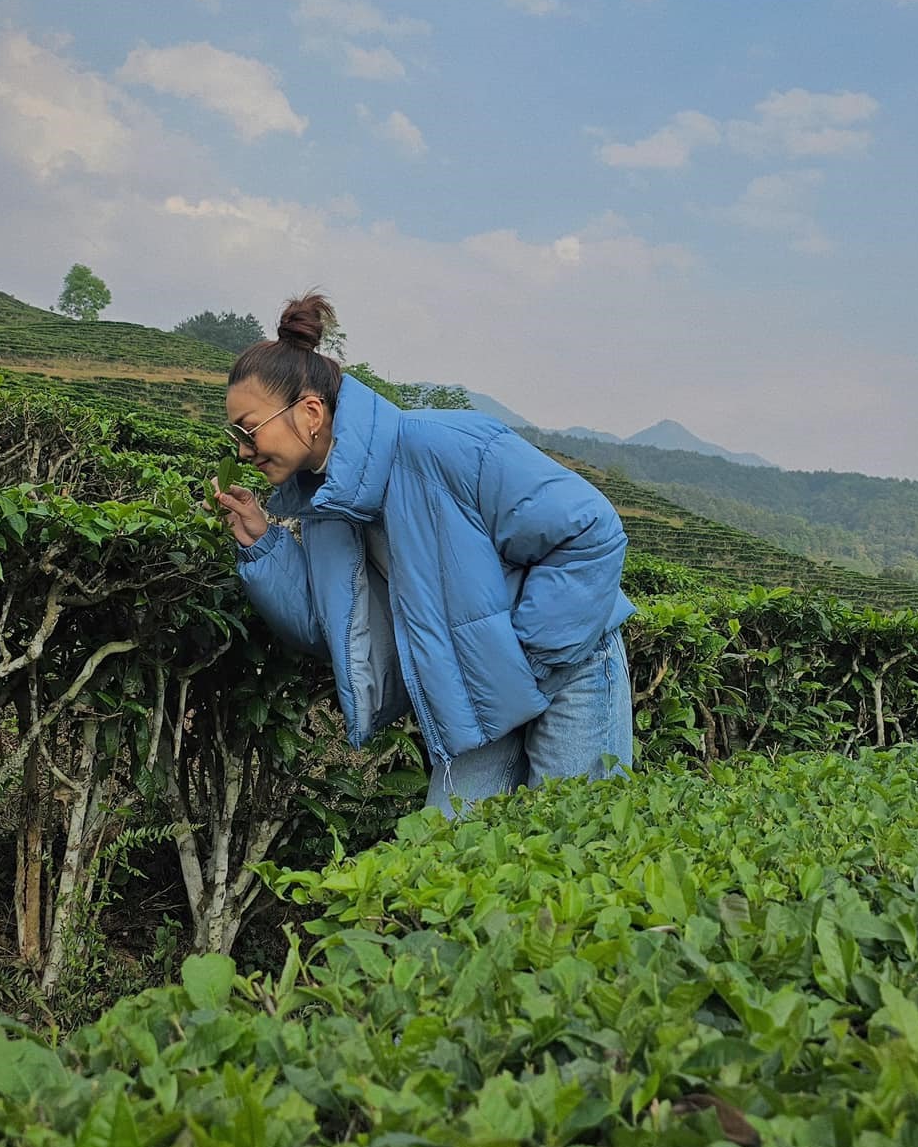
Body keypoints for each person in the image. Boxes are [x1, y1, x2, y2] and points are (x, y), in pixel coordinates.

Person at [212, 292, 634, 817]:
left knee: (572, 844)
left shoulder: (444, 446)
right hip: (475, 692)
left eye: (248, 429)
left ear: (311, 412)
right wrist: (263, 546)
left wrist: (528, 655)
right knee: (449, 861)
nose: (242, 451)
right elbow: (338, 634)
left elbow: (590, 532)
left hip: (569, 667)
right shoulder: (325, 507)